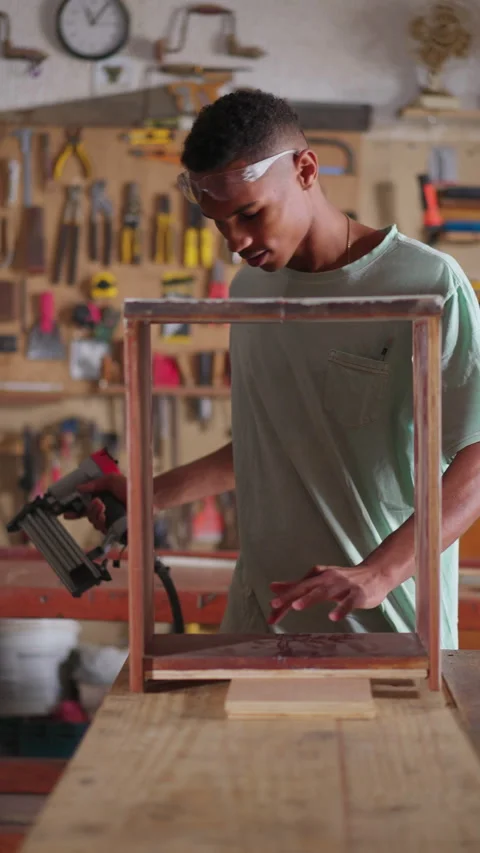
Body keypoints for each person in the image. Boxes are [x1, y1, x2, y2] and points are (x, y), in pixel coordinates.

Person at [81, 89, 480, 647]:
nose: (236, 241)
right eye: (219, 222)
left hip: (383, 621)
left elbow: (476, 455)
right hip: (262, 611)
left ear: (306, 169)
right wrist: (149, 495)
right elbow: (272, 441)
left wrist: (381, 572)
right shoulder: (252, 289)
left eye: (250, 214)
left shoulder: (426, 284)